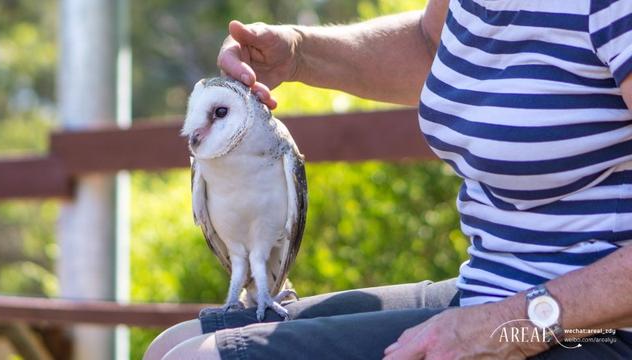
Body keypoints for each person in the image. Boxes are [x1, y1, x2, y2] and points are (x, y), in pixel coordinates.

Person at [145, 0, 632, 358]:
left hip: (592, 326)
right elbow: (434, 47)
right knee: (173, 345)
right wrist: (299, 53)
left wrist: (509, 324)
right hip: (489, 285)